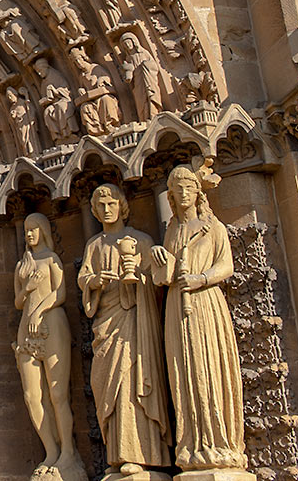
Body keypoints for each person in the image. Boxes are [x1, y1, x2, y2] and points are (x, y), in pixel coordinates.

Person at [151, 162, 247, 471]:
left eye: (188, 188)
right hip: (178, 306)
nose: (182, 194)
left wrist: (201, 278)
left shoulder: (212, 226)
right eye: (176, 190)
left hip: (205, 302)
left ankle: (221, 443)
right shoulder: (173, 230)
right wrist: (160, 261)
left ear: (197, 192)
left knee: (210, 367)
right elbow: (165, 275)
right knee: (184, 372)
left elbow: (226, 266)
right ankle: (192, 443)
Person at [77, 184, 170, 479]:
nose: (106, 210)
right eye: (100, 206)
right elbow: (84, 280)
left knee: (134, 380)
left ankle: (143, 454)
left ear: (123, 207)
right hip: (107, 321)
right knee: (110, 388)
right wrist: (95, 282)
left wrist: (138, 278)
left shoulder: (141, 240)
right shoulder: (95, 245)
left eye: (111, 204)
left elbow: (157, 283)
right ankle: (118, 454)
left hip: (135, 321)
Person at [14, 213, 86, 481]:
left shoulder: (52, 260)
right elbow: (19, 301)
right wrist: (28, 289)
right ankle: (51, 452)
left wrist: (39, 309)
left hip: (52, 323)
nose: (29, 234)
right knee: (33, 396)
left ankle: (69, 453)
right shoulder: (24, 264)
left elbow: (61, 293)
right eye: (26, 230)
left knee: (58, 394)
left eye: (33, 229)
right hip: (26, 329)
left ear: (43, 231)